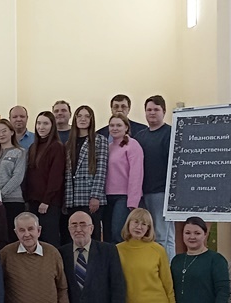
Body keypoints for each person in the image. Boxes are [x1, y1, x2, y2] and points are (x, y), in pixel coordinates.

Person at [135, 95, 175, 257]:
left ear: (164, 111)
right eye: (149, 109)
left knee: (162, 235)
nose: (152, 113)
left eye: (156, 109)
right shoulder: (140, 136)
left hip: (162, 192)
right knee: (147, 234)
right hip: (142, 192)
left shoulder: (171, 133)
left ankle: (166, 267)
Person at [64, 104, 109, 237]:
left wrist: (95, 196)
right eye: (79, 116)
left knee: (92, 235)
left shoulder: (100, 140)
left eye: (87, 116)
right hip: (72, 197)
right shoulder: (69, 143)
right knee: (74, 235)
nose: (83, 119)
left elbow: (101, 170)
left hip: (89, 196)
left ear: (91, 120)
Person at [23, 110, 66, 247]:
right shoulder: (33, 147)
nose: (41, 127)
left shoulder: (56, 147)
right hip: (33, 201)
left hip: (49, 203)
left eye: (45, 124)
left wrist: (46, 200)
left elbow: (56, 176)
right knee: (34, 241)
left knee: (49, 240)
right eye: (39, 123)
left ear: (52, 126)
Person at [104, 113, 144, 244]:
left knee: (118, 233)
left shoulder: (133, 145)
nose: (115, 128)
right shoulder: (108, 147)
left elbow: (136, 174)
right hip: (107, 197)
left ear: (126, 127)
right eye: (112, 125)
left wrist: (133, 201)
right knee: (108, 235)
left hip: (124, 197)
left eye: (119, 125)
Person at [0, 118, 26, 241]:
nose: (1, 135)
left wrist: (0, 194)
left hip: (12, 201)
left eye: (4, 131)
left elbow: (17, 177)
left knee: (11, 236)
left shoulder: (20, 152)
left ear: (11, 132)